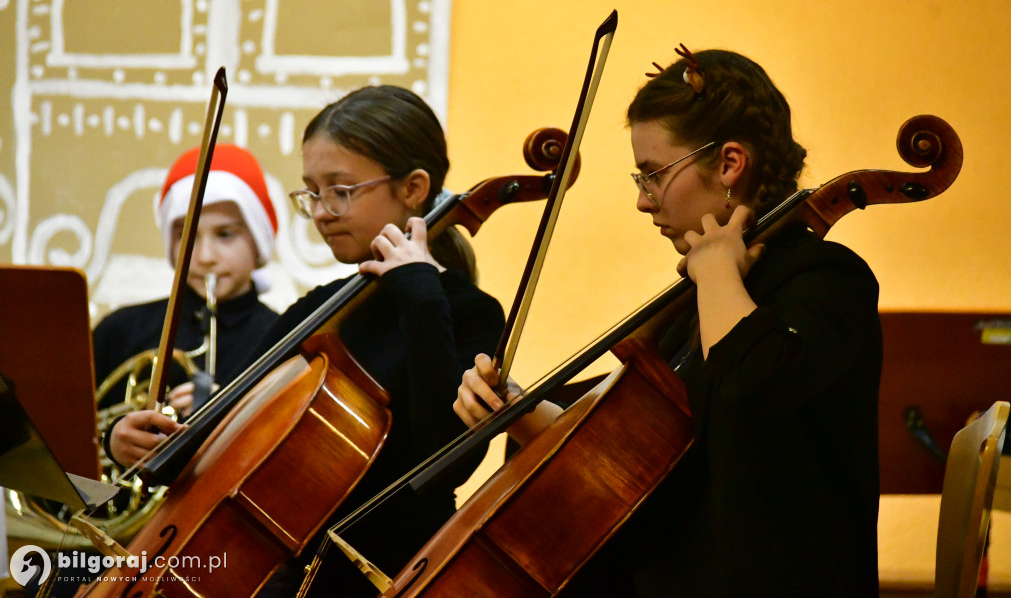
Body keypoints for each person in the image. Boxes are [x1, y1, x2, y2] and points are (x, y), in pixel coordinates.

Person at [454, 47, 883, 597]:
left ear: (730, 164)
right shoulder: (703, 298)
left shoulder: (828, 279)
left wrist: (716, 274)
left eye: (654, 174)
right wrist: (521, 412)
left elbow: (751, 384)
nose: (642, 200)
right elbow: (642, 464)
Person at [239, 85, 505, 596]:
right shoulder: (321, 310)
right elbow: (226, 426)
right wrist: (147, 441)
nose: (320, 211)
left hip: (393, 578)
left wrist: (423, 298)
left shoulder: (469, 313)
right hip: (284, 569)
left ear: (414, 188)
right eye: (311, 192)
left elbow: (447, 462)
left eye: (340, 190)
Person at [100, 143, 280, 466]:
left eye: (225, 235)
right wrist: (112, 441)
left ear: (259, 241)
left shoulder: (283, 338)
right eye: (188, 236)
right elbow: (67, 438)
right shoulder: (122, 329)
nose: (206, 257)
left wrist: (230, 419)